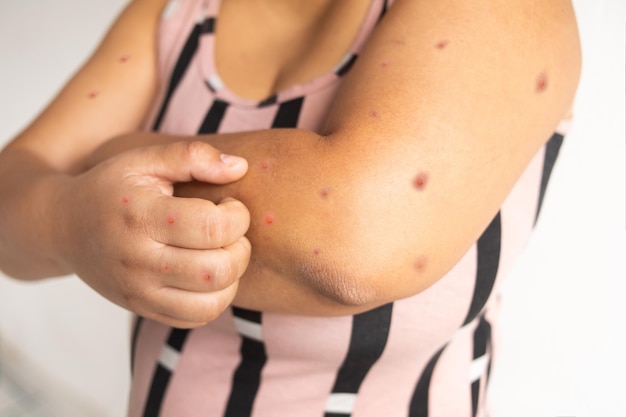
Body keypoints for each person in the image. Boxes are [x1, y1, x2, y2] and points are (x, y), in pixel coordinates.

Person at [0, 0, 581, 415]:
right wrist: (73, 219)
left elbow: (354, 245)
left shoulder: (507, 10)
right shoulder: (173, 14)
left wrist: (107, 162)